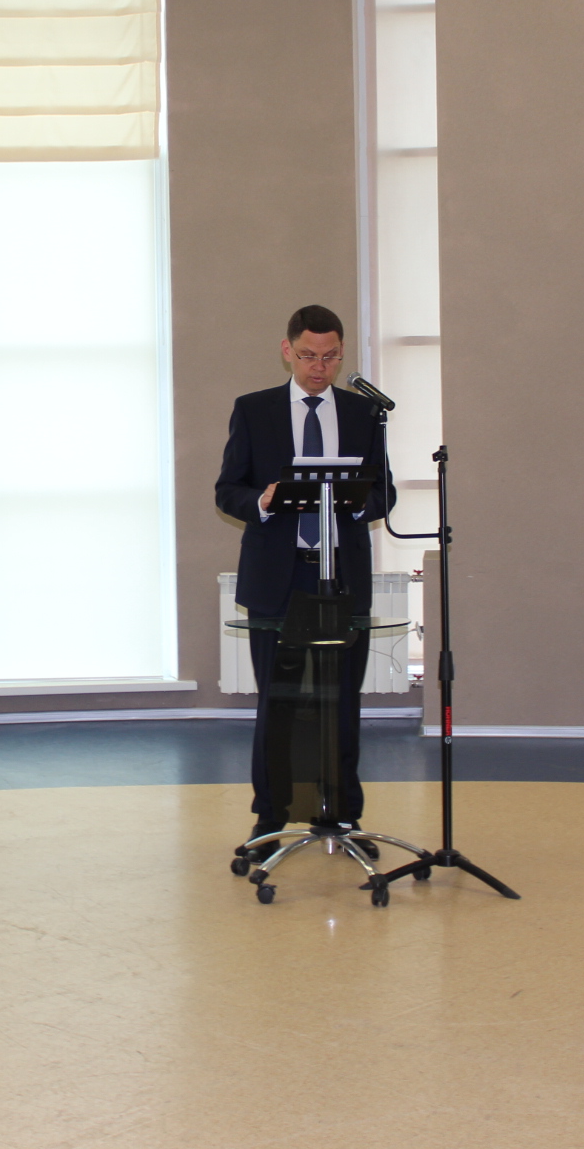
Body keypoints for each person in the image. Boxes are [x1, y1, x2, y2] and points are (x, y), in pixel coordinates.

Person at [214, 304, 393, 852]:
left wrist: (358, 502)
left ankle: (342, 816)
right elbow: (228, 491)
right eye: (309, 356)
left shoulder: (364, 413)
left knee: (341, 703)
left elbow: (384, 492)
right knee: (280, 703)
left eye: (331, 357)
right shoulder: (254, 410)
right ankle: (270, 818)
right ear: (287, 350)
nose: (320, 368)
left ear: (342, 354)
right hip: (278, 579)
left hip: (342, 577)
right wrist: (263, 501)